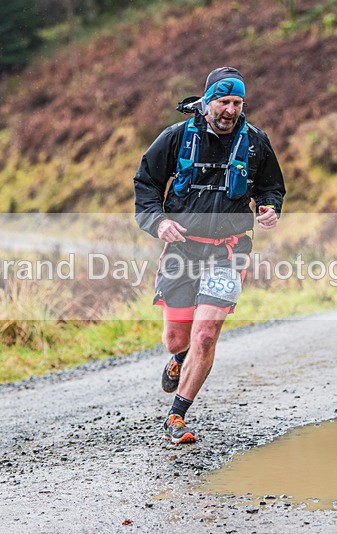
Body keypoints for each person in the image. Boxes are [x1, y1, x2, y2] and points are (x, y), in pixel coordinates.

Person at [134, 67, 286, 444]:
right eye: (223, 101)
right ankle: (177, 359)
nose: (230, 110)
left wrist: (269, 206)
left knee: (205, 335)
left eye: (237, 103)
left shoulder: (255, 142)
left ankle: (177, 417)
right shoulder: (175, 137)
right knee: (176, 339)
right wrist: (157, 222)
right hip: (182, 247)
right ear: (206, 102)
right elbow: (147, 184)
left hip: (228, 251)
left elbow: (271, 185)